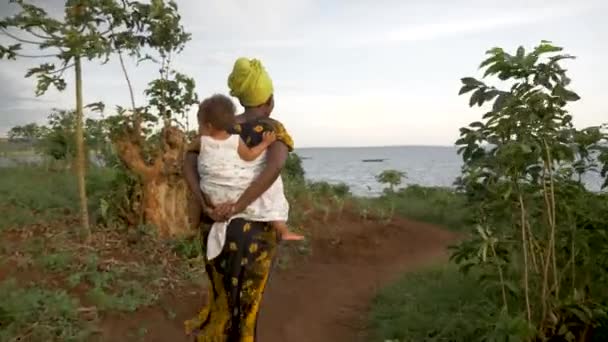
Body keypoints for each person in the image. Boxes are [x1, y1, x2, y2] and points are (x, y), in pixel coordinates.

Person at [183, 57, 294, 341]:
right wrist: (240, 205)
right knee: (247, 300)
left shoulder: (218, 129)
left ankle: (214, 333)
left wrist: (205, 201)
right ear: (269, 100)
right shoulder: (272, 128)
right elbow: (275, 166)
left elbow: (189, 161)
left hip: (213, 221)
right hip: (253, 229)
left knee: (221, 287)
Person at [196, 93, 304, 256]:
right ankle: (281, 227)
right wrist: (265, 143)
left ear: (209, 126)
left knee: (211, 178)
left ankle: (220, 210)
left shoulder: (200, 141)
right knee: (270, 183)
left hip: (213, 196)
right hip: (236, 195)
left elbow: (190, 160)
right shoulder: (235, 140)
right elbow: (250, 155)